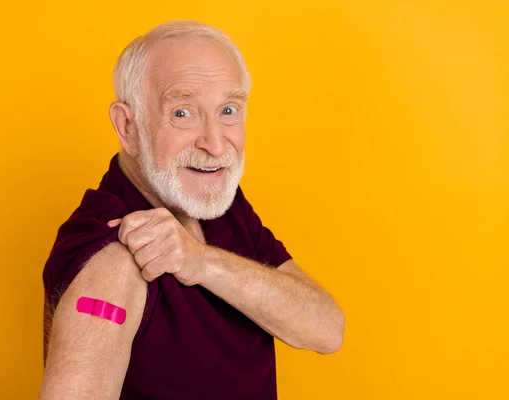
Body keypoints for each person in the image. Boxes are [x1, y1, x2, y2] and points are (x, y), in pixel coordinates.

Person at [39, 20, 345, 400]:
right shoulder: (112, 260)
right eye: (183, 113)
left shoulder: (218, 203)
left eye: (228, 110)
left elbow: (327, 329)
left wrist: (202, 262)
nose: (215, 145)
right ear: (128, 126)